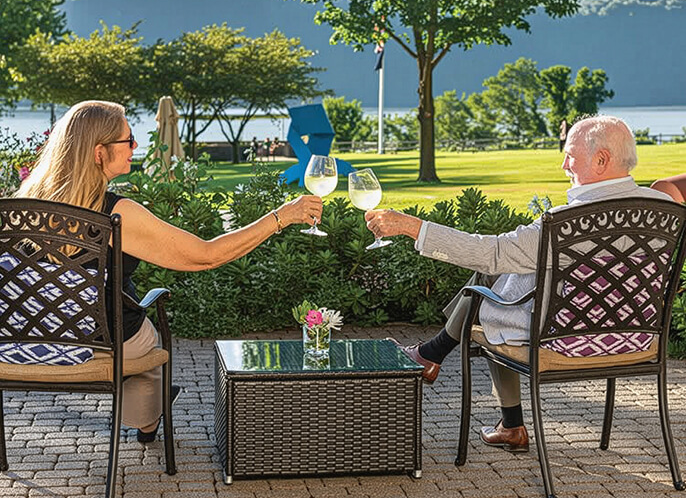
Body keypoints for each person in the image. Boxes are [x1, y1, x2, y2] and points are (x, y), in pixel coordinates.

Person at [15, 101, 322, 443]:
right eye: (127, 141)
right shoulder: (117, 215)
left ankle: (150, 406)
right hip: (105, 344)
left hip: (31, 343)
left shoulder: (21, 208)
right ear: (99, 152)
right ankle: (148, 418)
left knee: (136, 335)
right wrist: (281, 216)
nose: (136, 147)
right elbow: (205, 256)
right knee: (149, 342)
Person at [364, 115, 672, 453]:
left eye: (570, 155)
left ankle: (497, 412)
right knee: (501, 278)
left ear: (601, 160)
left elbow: (491, 252)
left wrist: (412, 226)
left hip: (568, 341)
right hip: (636, 338)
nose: (563, 164)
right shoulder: (667, 209)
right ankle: (439, 361)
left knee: (488, 298)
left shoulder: (565, 223)